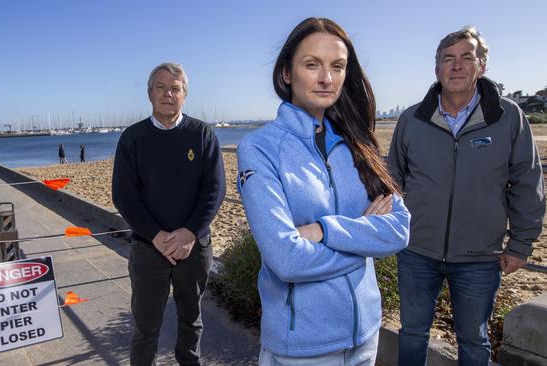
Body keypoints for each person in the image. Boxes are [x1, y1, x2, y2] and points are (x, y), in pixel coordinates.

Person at [237, 18, 410, 365]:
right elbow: (285, 259)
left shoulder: (358, 142)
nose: (326, 78)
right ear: (287, 73)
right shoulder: (260, 148)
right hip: (302, 348)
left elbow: (399, 228)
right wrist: (363, 241)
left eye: (337, 66)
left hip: (365, 338)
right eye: (312, 64)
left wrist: (322, 231)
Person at [387, 26, 545, 366]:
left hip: (480, 256)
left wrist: (520, 245)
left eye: (466, 57)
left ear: (482, 66)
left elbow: (527, 181)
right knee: (412, 332)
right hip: (416, 251)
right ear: (437, 68)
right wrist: (390, 231)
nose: (456, 66)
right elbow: (393, 179)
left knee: (474, 339)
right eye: (448, 59)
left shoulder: (508, 117)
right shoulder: (412, 118)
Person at [112, 62, 226, 366]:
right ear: (150, 93)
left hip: (194, 248)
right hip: (148, 249)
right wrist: (156, 235)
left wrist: (190, 232)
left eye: (175, 88)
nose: (168, 93)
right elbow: (124, 196)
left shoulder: (203, 135)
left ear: (184, 95)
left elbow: (214, 191)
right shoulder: (132, 138)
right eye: (161, 87)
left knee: (192, 323)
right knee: (145, 328)